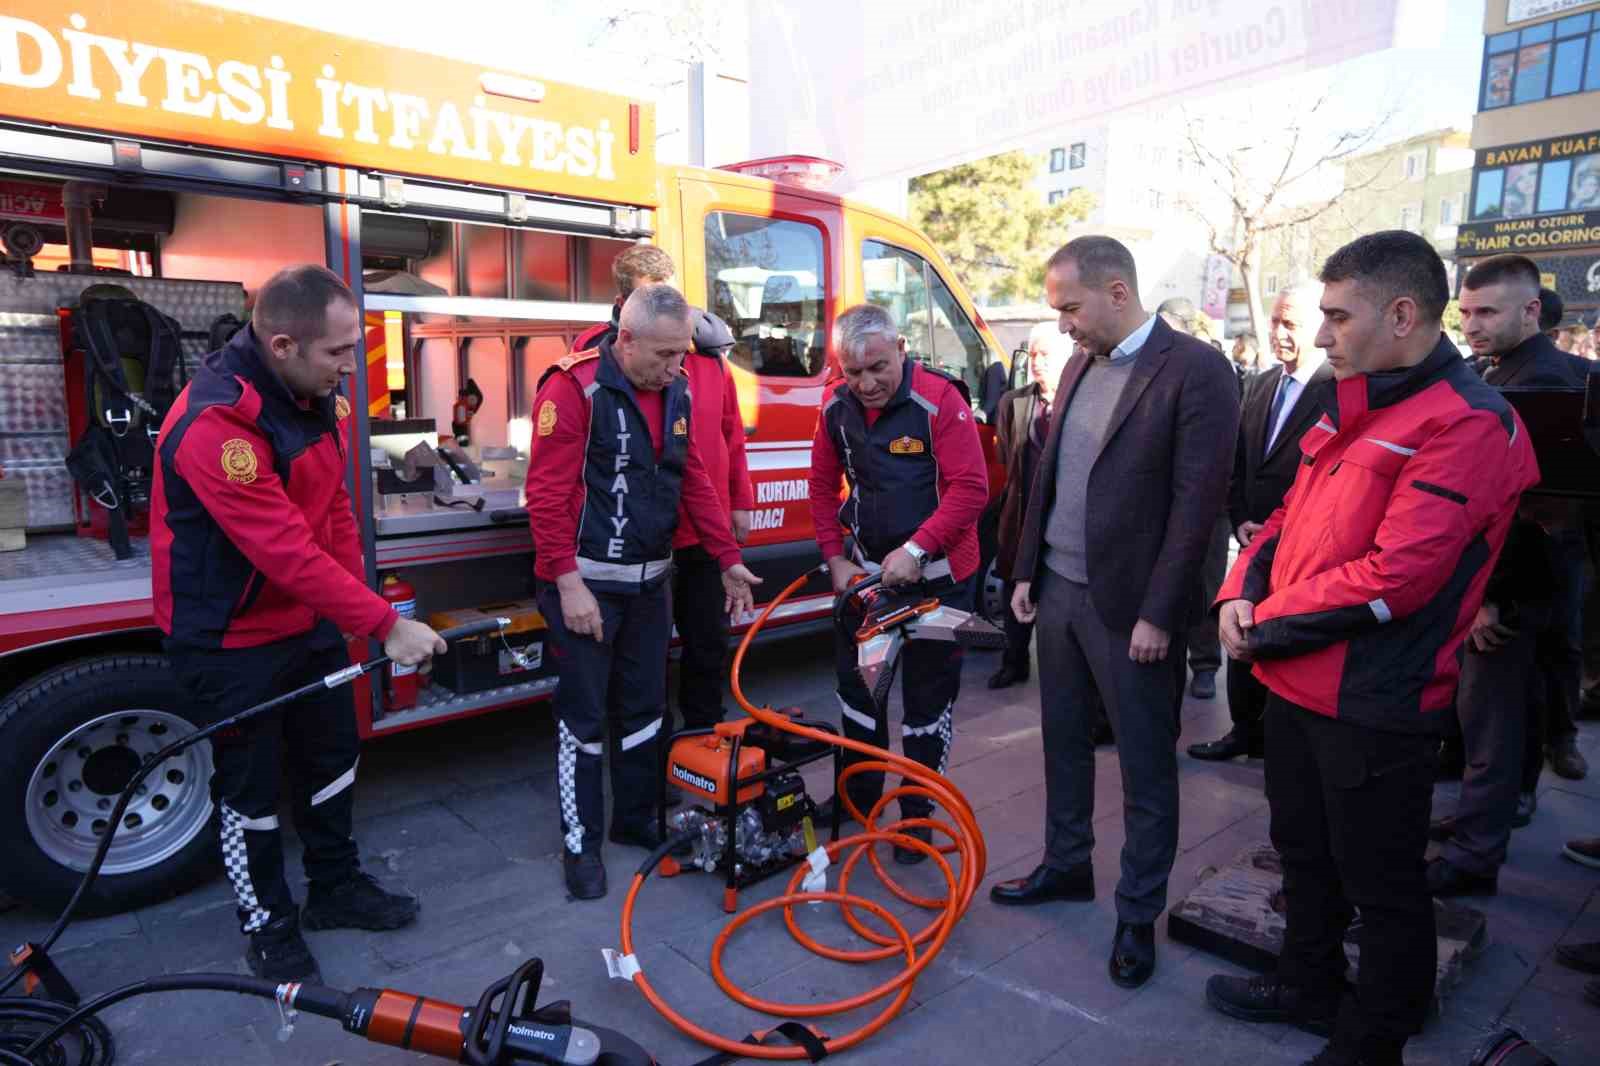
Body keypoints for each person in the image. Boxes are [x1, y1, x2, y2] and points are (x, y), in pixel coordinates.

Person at [1205, 232, 1539, 1066]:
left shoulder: (1468, 421)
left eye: (1335, 316)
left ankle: (1371, 1042)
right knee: (1304, 857)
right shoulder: (1366, 399)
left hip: (1376, 703)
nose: (1320, 335)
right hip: (1295, 686)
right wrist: (1237, 589)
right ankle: (1305, 983)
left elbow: (1400, 575)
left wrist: (1265, 620)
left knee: (1384, 889)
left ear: (1401, 315)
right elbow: (1286, 518)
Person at [152, 265, 447, 982]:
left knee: (331, 761)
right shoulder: (217, 422)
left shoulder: (314, 397)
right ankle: (267, 925)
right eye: (341, 353)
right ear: (283, 344)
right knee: (250, 793)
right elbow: (280, 548)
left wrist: (355, 607)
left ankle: (336, 890)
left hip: (306, 622)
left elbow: (333, 515)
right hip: (229, 639)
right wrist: (384, 625)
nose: (353, 368)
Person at [993, 237, 1239, 993]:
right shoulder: (1077, 366)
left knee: (1143, 766)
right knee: (1062, 744)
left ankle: (1137, 913)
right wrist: (1027, 568)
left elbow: (1198, 508)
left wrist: (1162, 615)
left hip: (1134, 608)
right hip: (1060, 594)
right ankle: (1067, 867)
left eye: (1069, 307)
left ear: (1116, 293)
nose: (1062, 324)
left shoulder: (1197, 370)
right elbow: (1049, 477)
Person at [525, 284, 760, 900]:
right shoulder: (573, 389)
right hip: (587, 588)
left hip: (652, 583)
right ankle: (581, 845)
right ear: (623, 340)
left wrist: (727, 558)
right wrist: (567, 584)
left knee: (645, 711)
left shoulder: (677, 387)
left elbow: (692, 480)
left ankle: (635, 818)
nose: (676, 367)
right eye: (662, 356)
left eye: (681, 354)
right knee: (583, 719)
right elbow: (545, 498)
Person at [807, 303, 988, 864]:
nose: (865, 383)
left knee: (926, 708)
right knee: (859, 701)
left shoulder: (941, 401)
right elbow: (819, 487)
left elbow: (972, 489)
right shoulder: (836, 406)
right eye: (853, 371)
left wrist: (916, 548)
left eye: (877, 368)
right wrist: (836, 560)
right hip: (869, 589)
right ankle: (858, 807)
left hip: (937, 587)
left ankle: (916, 819)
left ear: (902, 349)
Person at [1188, 284, 1331, 763]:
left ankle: (1281, 744)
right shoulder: (1261, 383)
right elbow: (1240, 459)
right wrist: (1241, 518)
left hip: (1307, 547)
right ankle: (1243, 731)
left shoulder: (1339, 386)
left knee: (1285, 643)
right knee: (1241, 630)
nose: (1279, 333)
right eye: (1274, 322)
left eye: (1291, 323)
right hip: (1254, 539)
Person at [1158, 295, 1232, 700]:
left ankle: (1204, 663)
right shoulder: (1156, 365)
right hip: (1164, 500)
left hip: (1209, 503)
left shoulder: (1212, 365)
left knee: (1205, 585)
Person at [988, 322, 1068, 690]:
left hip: (1065, 521)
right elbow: (1007, 457)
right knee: (1013, 590)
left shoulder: (1080, 402)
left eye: (1045, 355)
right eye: (1032, 355)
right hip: (1020, 517)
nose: (1037, 363)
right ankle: (1014, 661)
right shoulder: (1013, 402)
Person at [572, 243, 675, 352]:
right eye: (650, 300)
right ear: (622, 303)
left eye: (672, 296)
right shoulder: (591, 345)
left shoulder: (693, 343)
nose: (665, 307)